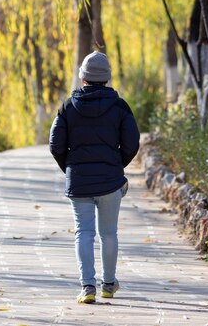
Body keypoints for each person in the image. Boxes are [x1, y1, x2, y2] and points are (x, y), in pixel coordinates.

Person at [49, 51, 140, 304]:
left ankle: (87, 287)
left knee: (83, 233)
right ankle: (109, 284)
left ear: (83, 78)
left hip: (79, 181)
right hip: (111, 181)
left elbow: (55, 144)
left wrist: (70, 167)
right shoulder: (120, 107)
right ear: (107, 79)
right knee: (109, 233)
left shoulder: (67, 107)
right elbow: (132, 142)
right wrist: (116, 166)